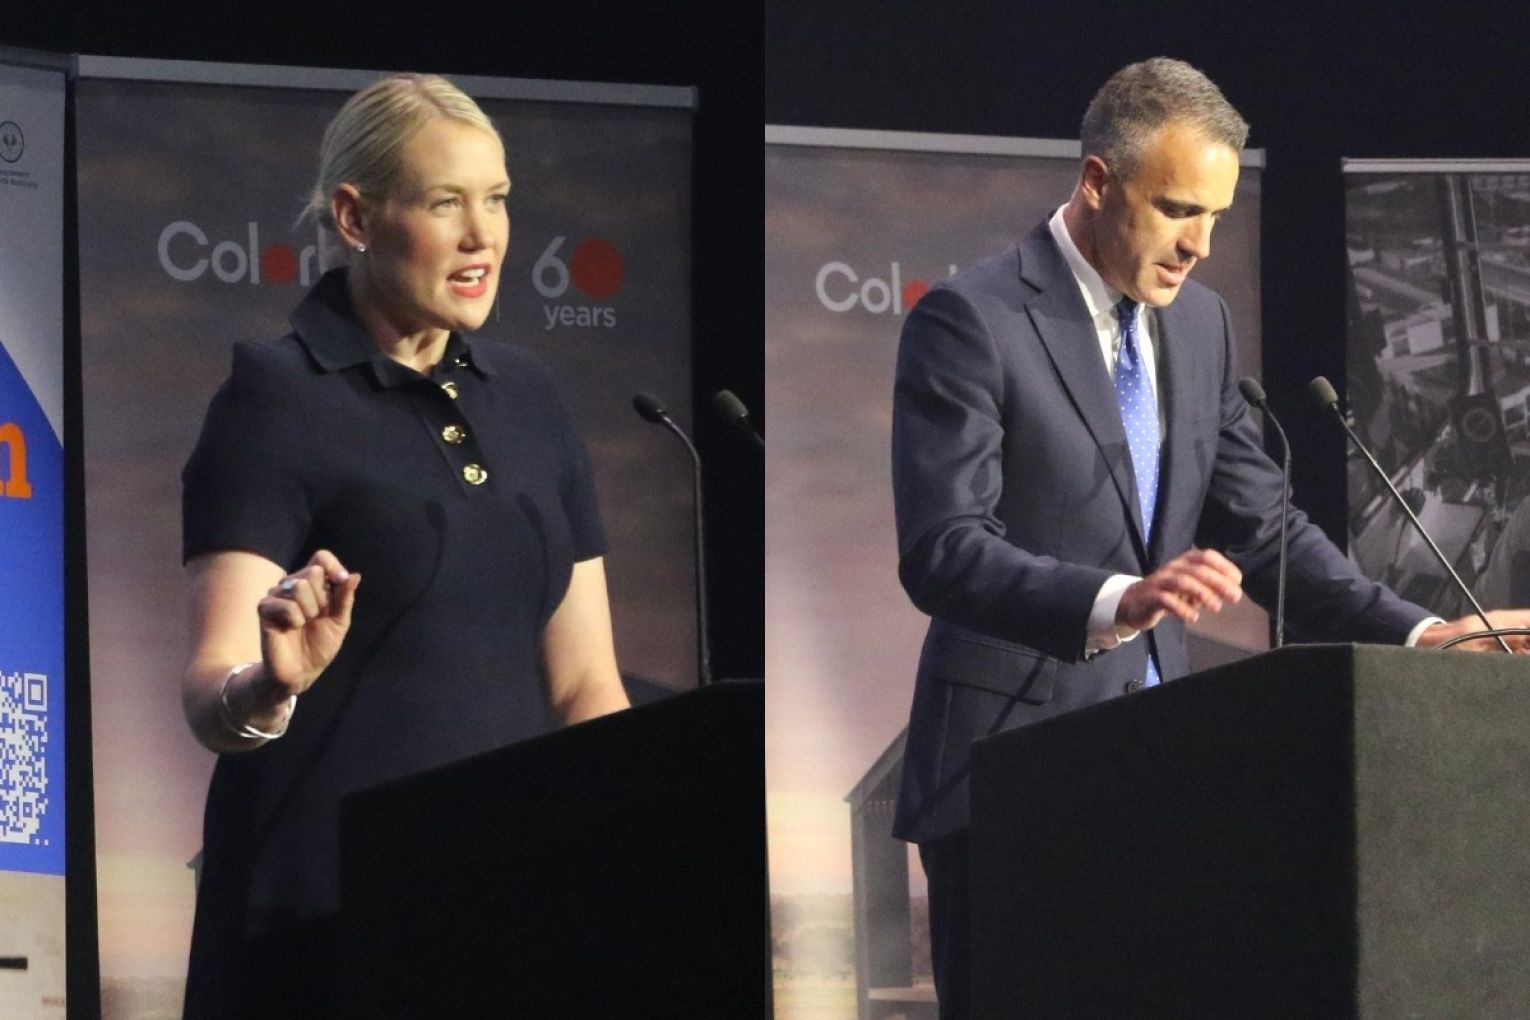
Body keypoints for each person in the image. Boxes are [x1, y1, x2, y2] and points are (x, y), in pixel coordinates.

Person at [889, 57, 1530, 1019]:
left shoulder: (1201, 328)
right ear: (1098, 181)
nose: (1200, 245)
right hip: (1011, 780)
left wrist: (1421, 637)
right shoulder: (972, 321)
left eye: (1218, 217)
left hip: (1162, 771)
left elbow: (1266, 528)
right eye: (1180, 208)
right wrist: (1116, 599)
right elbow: (942, 547)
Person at [178, 73, 629, 1017]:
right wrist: (271, 686)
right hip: (326, 922)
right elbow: (212, 693)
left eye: (497, 198)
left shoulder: (530, 397)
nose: (485, 235)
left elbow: (587, 686)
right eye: (445, 203)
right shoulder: (276, 396)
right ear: (355, 216)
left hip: (506, 908)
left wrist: (628, 847)